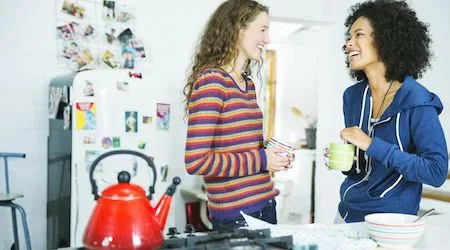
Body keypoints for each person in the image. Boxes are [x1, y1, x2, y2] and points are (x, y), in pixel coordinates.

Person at [183, 0, 294, 232]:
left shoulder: (247, 83)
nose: (267, 39)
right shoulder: (213, 82)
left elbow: (237, 144)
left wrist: (271, 152)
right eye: (262, 29)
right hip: (237, 216)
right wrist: (262, 159)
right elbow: (196, 160)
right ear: (238, 28)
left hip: (265, 205)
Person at [336, 0, 448, 223]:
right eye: (349, 37)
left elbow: (435, 172)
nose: (349, 43)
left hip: (392, 223)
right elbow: (363, 168)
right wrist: (345, 161)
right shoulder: (353, 97)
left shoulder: (418, 101)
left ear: (385, 39)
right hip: (346, 215)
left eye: (359, 35)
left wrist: (371, 144)